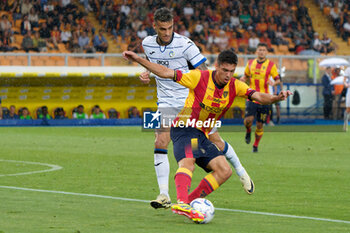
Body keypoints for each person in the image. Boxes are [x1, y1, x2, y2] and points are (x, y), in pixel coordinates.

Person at [123, 49, 292, 223]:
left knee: (224, 170)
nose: (228, 75)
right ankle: (181, 202)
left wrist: (275, 98)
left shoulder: (235, 86)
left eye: (231, 71)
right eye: (224, 70)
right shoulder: (199, 77)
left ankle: (188, 201)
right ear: (216, 66)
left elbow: (257, 96)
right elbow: (166, 72)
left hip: (201, 134)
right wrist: (138, 59)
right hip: (184, 127)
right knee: (188, 161)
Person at [139, 7, 254, 209]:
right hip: (166, 100)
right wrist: (146, 71)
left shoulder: (185, 44)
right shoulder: (147, 44)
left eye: (170, 28)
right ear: (154, 26)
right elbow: (154, 61)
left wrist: (214, 95)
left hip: (190, 101)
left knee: (215, 140)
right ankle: (164, 194)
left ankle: (241, 171)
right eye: (162, 29)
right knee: (161, 140)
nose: (167, 33)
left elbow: (204, 71)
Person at [240, 43, 281, 152]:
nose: (261, 52)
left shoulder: (271, 65)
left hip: (265, 99)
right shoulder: (250, 63)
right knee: (248, 121)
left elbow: (278, 79)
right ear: (256, 52)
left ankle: (255, 145)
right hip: (252, 96)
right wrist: (242, 79)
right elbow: (246, 75)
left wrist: (274, 82)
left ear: (266, 52)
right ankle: (248, 130)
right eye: (260, 50)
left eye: (264, 50)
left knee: (259, 124)